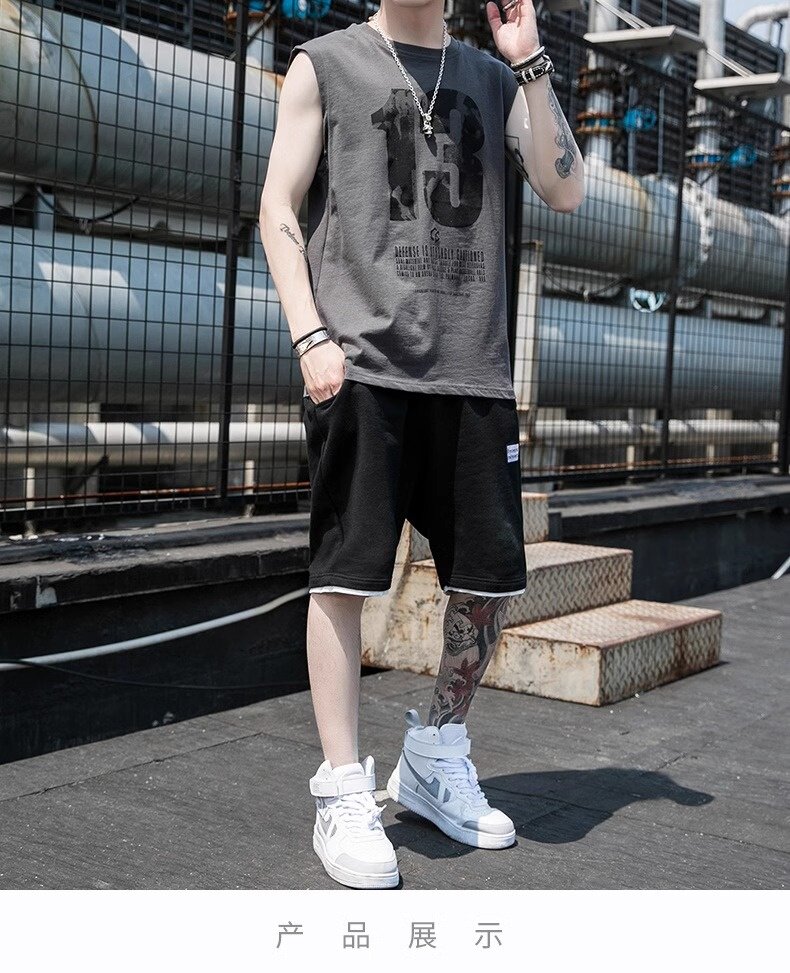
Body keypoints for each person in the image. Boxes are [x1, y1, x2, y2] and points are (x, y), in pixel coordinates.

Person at [259, 0, 584, 890]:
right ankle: (341, 787)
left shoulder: (492, 78)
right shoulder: (325, 63)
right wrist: (309, 334)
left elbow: (565, 188)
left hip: (474, 371)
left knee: (489, 581)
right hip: (362, 364)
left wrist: (529, 59)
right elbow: (278, 205)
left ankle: (435, 752)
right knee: (344, 575)